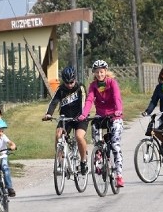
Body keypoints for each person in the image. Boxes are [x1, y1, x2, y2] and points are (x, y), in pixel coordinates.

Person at [80, 59, 125, 187]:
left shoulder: (112, 83)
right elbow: (89, 100)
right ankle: (99, 157)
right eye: (97, 72)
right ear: (94, 73)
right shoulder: (93, 85)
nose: (99, 74)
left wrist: (118, 110)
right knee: (95, 132)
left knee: (115, 145)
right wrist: (84, 114)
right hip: (101, 115)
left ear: (106, 71)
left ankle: (119, 175)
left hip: (114, 115)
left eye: (102, 72)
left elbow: (117, 97)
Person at [42, 65, 90, 175]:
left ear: (75, 79)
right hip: (66, 118)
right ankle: (60, 162)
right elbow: (54, 102)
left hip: (80, 118)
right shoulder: (61, 89)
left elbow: (84, 102)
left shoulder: (80, 87)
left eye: (71, 82)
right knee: (58, 134)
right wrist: (49, 114)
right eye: (67, 83)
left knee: (79, 136)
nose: (69, 85)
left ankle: (83, 161)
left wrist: (82, 115)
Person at [0, 118, 17, 197]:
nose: (0, 133)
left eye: (2, 131)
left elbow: (9, 142)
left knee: (5, 169)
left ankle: (9, 188)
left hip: (2, 155)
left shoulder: (3, 137)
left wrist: (12, 145)